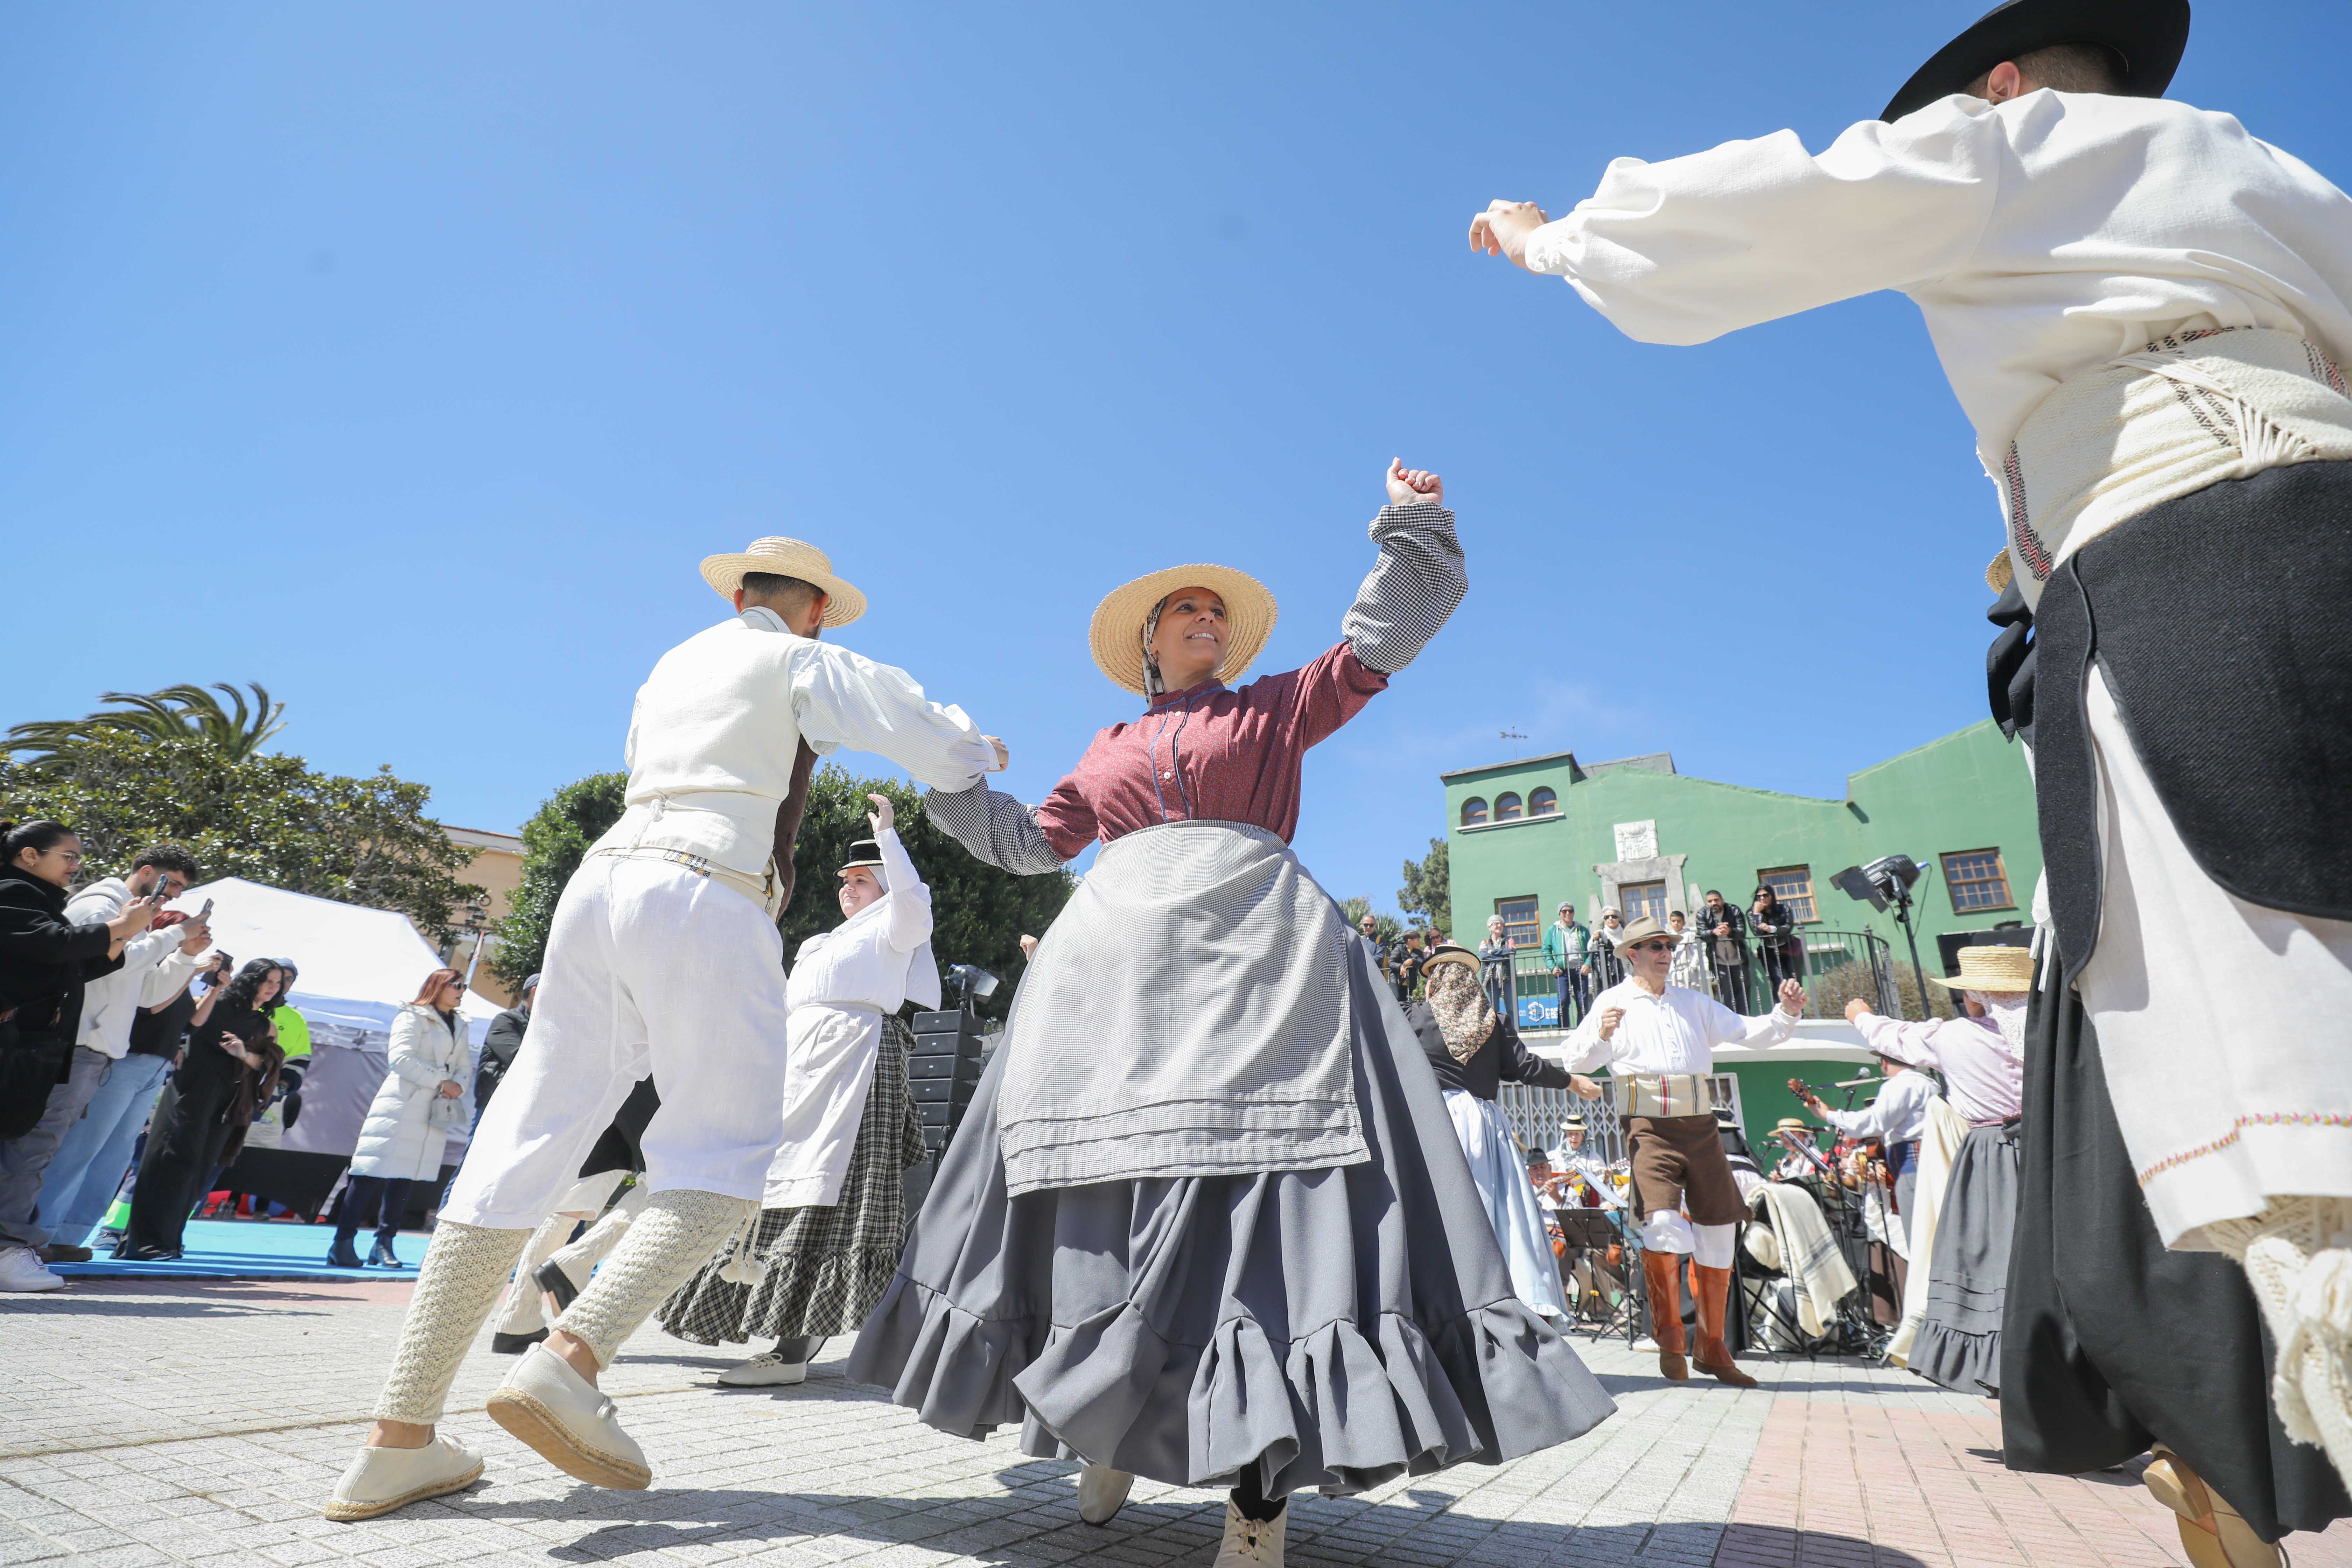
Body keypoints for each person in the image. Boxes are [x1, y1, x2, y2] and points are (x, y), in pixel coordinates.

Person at [1470, 0, 2352, 1516]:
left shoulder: (1999, 143)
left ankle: (2255, 1388)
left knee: (2255, 1048)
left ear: (1998, 86)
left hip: (2177, 564)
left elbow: (1784, 203)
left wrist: (1562, 235)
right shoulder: (2260, 165)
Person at [853, 461, 1613, 1568]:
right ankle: (1110, 1412)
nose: (1205, 618)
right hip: (1112, 979)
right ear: (1150, 644)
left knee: (1269, 1203)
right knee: (1096, 1188)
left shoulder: (1272, 706)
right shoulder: (1106, 747)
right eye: (1185, 611)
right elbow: (1026, 843)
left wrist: (1412, 527)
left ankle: (1255, 1489)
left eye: (1216, 609)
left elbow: (1373, 649)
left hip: (1261, 962)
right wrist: (943, 768)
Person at [326, 536, 1005, 1523]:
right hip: (707, 888)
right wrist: (981, 753)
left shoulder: (670, 667)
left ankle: (397, 1439)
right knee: (727, 1159)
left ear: (738, 594)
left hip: (599, 886)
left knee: (521, 1146)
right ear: (815, 609)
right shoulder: (801, 660)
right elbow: (932, 741)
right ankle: (572, 1358)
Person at [659, 809, 934, 1386]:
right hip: (798, 1070)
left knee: (831, 1197)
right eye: (844, 880)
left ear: (885, 887)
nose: (846, 887)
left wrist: (887, 835)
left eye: (860, 879)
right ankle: (779, 1336)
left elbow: (913, 898)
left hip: (854, 1069)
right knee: (773, 1190)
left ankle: (791, 1354)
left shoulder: (896, 927)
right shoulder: (819, 944)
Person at [1563, 914, 1805, 1388]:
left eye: (1668, 945)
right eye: (1654, 946)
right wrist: (1603, 1036)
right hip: (1648, 1127)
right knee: (1662, 1225)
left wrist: (1787, 1013)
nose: (1665, 953)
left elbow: (1752, 1033)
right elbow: (1576, 1061)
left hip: (1701, 1126)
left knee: (1718, 1231)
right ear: (1632, 953)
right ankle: (1670, 1339)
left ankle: (1712, 1348)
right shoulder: (1611, 1002)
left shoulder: (1693, 1002)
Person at [4, 843, 212, 1269]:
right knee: (41, 1148)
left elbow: (149, 993)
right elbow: (104, 961)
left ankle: (38, 1238)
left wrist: (187, 954)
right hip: (71, 1043)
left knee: (69, 1150)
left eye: (179, 891)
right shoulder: (102, 902)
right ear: (147, 870)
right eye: (170, 885)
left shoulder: (138, 913)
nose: (173, 897)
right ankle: (19, 1243)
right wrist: (174, 934)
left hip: (99, 1051)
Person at [1841, 945, 2028, 1396]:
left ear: (1974, 996)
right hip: (2051, 1152)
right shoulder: (2051, 1032)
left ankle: (1999, 1363)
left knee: (1990, 1261)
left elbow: (1895, 1035)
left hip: (1991, 1156)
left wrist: (1860, 1014)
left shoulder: (1955, 1036)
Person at [0, 822, 161, 1293]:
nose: (76, 867)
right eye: (67, 856)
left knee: (24, 1151)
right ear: (30, 856)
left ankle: (12, 1247)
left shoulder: (37, 900)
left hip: (29, 1052)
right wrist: (120, 928)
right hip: (23, 1050)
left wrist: (123, 937)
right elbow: (57, 947)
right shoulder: (12, 892)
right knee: (25, 1153)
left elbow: (67, 966)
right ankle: (10, 1250)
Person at [1406, 943, 1591, 1323]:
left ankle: (1439, 1303)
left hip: (1433, 1122)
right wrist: (1571, 1081)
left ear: (1435, 981)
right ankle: (1499, 1302)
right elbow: (1524, 1066)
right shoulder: (1495, 1022)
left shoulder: (1416, 1018)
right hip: (1484, 1125)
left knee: (1437, 1214)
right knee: (1498, 1216)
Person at [61, 949, 233, 1252]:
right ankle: (49, 1229)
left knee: (117, 1154)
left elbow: (193, 1023)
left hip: (155, 1067)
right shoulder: (148, 970)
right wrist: (189, 972)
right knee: (87, 1146)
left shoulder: (177, 979)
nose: (200, 944)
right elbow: (151, 1006)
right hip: (126, 1062)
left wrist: (215, 988)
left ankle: (73, 1234)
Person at [114, 959, 286, 1261]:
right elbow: (190, 1025)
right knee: (170, 1163)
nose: (274, 987)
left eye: (278, 983)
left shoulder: (265, 1025)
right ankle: (142, 1243)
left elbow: (267, 1067)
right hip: (190, 1093)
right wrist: (217, 988)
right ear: (250, 980)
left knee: (198, 1171)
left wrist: (243, 1053)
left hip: (226, 1103)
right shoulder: (211, 1003)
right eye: (268, 981)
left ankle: (168, 1241)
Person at [330, 969, 472, 1269]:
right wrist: (442, 1081)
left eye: (464, 986)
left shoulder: (460, 1024)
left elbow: (463, 1064)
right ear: (438, 987)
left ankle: (384, 1242)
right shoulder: (412, 1015)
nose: (462, 991)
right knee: (369, 1174)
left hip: (432, 1109)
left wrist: (458, 1085)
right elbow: (401, 1058)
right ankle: (342, 1242)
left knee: (405, 1179)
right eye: (456, 985)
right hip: (401, 1105)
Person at [1798, 1056, 1937, 1242]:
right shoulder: (1930, 1084)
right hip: (1927, 1159)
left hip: (1911, 1164)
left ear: (1885, 1063)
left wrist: (1828, 1115)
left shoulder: (1900, 1085)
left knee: (1921, 1238)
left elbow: (1873, 1123)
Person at [474, 974, 536, 1114]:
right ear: (534, 992)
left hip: (525, 1105)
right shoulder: (506, 1020)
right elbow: (519, 1057)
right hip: (496, 1104)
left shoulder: (546, 1026)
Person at [1697, 892, 1749, 1014]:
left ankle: (1745, 1020)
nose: (1714, 903)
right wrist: (1714, 932)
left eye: (1716, 900)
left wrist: (1730, 931)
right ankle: (1728, 1022)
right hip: (1719, 960)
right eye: (1710, 901)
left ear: (1723, 901)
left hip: (1739, 959)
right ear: (1707, 903)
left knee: (1742, 993)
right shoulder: (1702, 914)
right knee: (1725, 994)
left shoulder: (1734, 911)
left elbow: (1742, 932)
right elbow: (1702, 934)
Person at [1541, 903, 1591, 1026]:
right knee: (1563, 1000)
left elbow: (1591, 949)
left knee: (1583, 1002)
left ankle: (1583, 1028)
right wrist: (1553, 967)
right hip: (1562, 971)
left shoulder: (1583, 930)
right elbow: (1546, 950)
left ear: (1573, 913)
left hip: (1580, 970)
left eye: (1570, 911)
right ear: (1560, 914)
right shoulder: (1553, 930)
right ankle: (1564, 1028)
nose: (1568, 914)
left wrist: (1588, 964)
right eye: (1564, 912)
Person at [1750, 886, 1802, 993]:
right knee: (1780, 982)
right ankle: (1782, 1008)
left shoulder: (1784, 909)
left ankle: (1799, 1010)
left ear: (1772, 896)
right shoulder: (1752, 913)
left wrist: (1771, 929)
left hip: (1788, 948)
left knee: (1795, 982)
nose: (1762, 899)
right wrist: (1757, 914)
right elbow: (1758, 933)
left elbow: (1788, 928)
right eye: (1759, 896)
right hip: (1769, 952)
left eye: (1766, 895)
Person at [1476, 914, 1516, 1022]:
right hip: (1491, 978)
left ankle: (1513, 1031)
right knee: (1494, 1008)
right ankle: (1497, 1033)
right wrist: (1502, 954)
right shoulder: (1485, 943)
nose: (1499, 926)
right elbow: (1484, 956)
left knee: (1511, 1007)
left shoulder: (1509, 941)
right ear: (1490, 927)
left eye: (1501, 924)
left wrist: (1493, 952)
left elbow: (1512, 952)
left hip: (1507, 977)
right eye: (1496, 924)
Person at [1666, 909, 1710, 993]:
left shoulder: (1689, 935)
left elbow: (1697, 951)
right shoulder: (1669, 937)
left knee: (1692, 990)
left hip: (1688, 968)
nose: (1676, 923)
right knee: (1678, 991)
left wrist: (1693, 966)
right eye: (1674, 921)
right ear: (1670, 923)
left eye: (1679, 921)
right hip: (1676, 969)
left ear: (1684, 923)